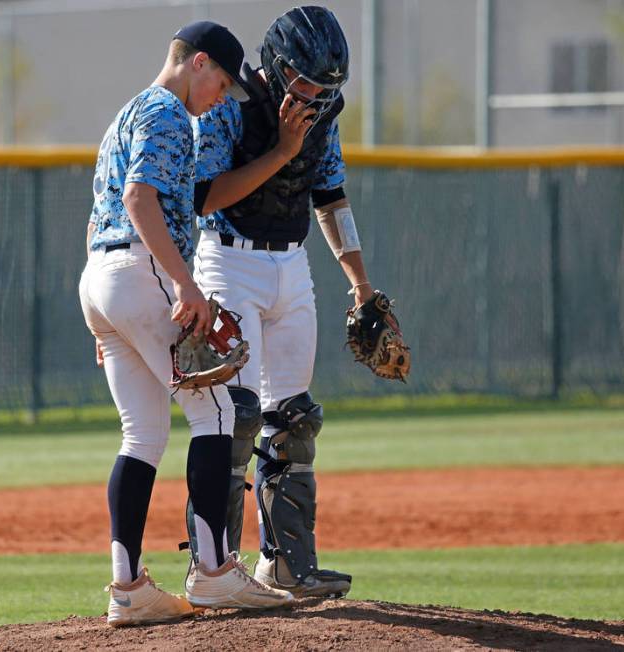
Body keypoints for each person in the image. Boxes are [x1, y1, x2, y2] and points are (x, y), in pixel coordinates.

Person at [79, 20, 293, 628]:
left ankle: (129, 588)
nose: (221, 97)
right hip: (138, 270)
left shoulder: (124, 115)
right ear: (198, 62)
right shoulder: (169, 112)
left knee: (142, 434)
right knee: (218, 410)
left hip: (102, 276)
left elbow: (104, 212)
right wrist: (183, 283)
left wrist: (108, 316)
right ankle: (217, 574)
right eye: (222, 83)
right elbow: (139, 201)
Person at [187, 6, 369, 599]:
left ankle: (289, 565)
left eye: (326, 88)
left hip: (292, 262)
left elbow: (331, 196)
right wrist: (284, 152)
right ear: (277, 64)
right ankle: (216, 569)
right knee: (234, 416)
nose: (314, 96)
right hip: (229, 258)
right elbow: (208, 197)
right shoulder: (229, 104)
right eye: (306, 81)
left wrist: (361, 285)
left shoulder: (321, 116)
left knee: (294, 418)